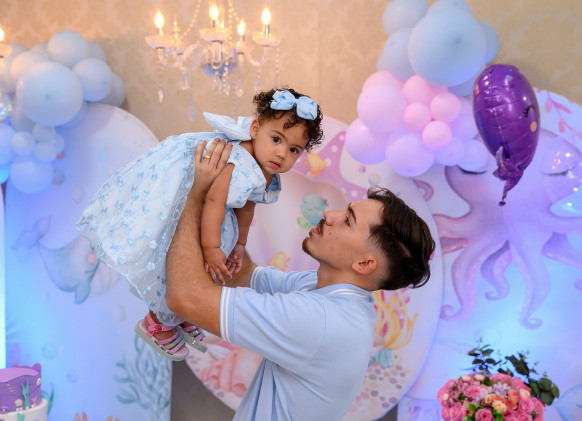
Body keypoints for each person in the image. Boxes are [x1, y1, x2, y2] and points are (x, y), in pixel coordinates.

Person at [166, 139, 436, 421]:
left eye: (347, 221)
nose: (329, 215)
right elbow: (242, 274)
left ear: (365, 264)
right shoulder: (326, 292)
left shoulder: (323, 321)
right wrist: (231, 194)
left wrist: (194, 195)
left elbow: (184, 297)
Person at [75, 88, 323, 361]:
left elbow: (247, 205)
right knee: (183, 252)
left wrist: (240, 244)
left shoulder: (262, 167)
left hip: (210, 198)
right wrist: (211, 248)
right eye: (276, 139)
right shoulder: (239, 164)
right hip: (189, 187)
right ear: (255, 129)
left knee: (219, 249)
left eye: (293, 150)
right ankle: (156, 322)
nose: (281, 153)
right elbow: (213, 201)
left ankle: (177, 314)